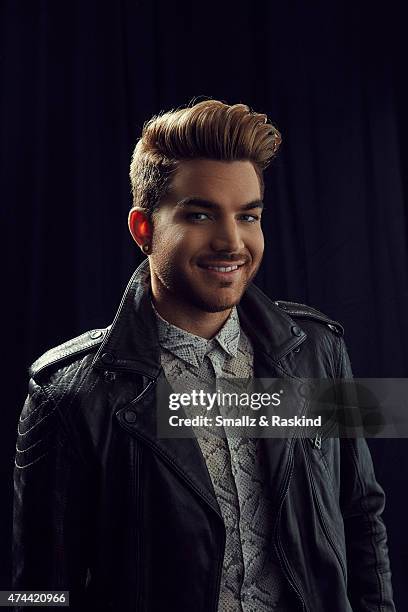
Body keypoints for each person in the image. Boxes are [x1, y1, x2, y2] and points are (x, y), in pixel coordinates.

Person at [13, 99, 396, 611]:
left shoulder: (318, 351)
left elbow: (362, 517)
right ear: (143, 229)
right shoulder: (68, 395)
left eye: (248, 216)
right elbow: (37, 591)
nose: (231, 241)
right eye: (199, 214)